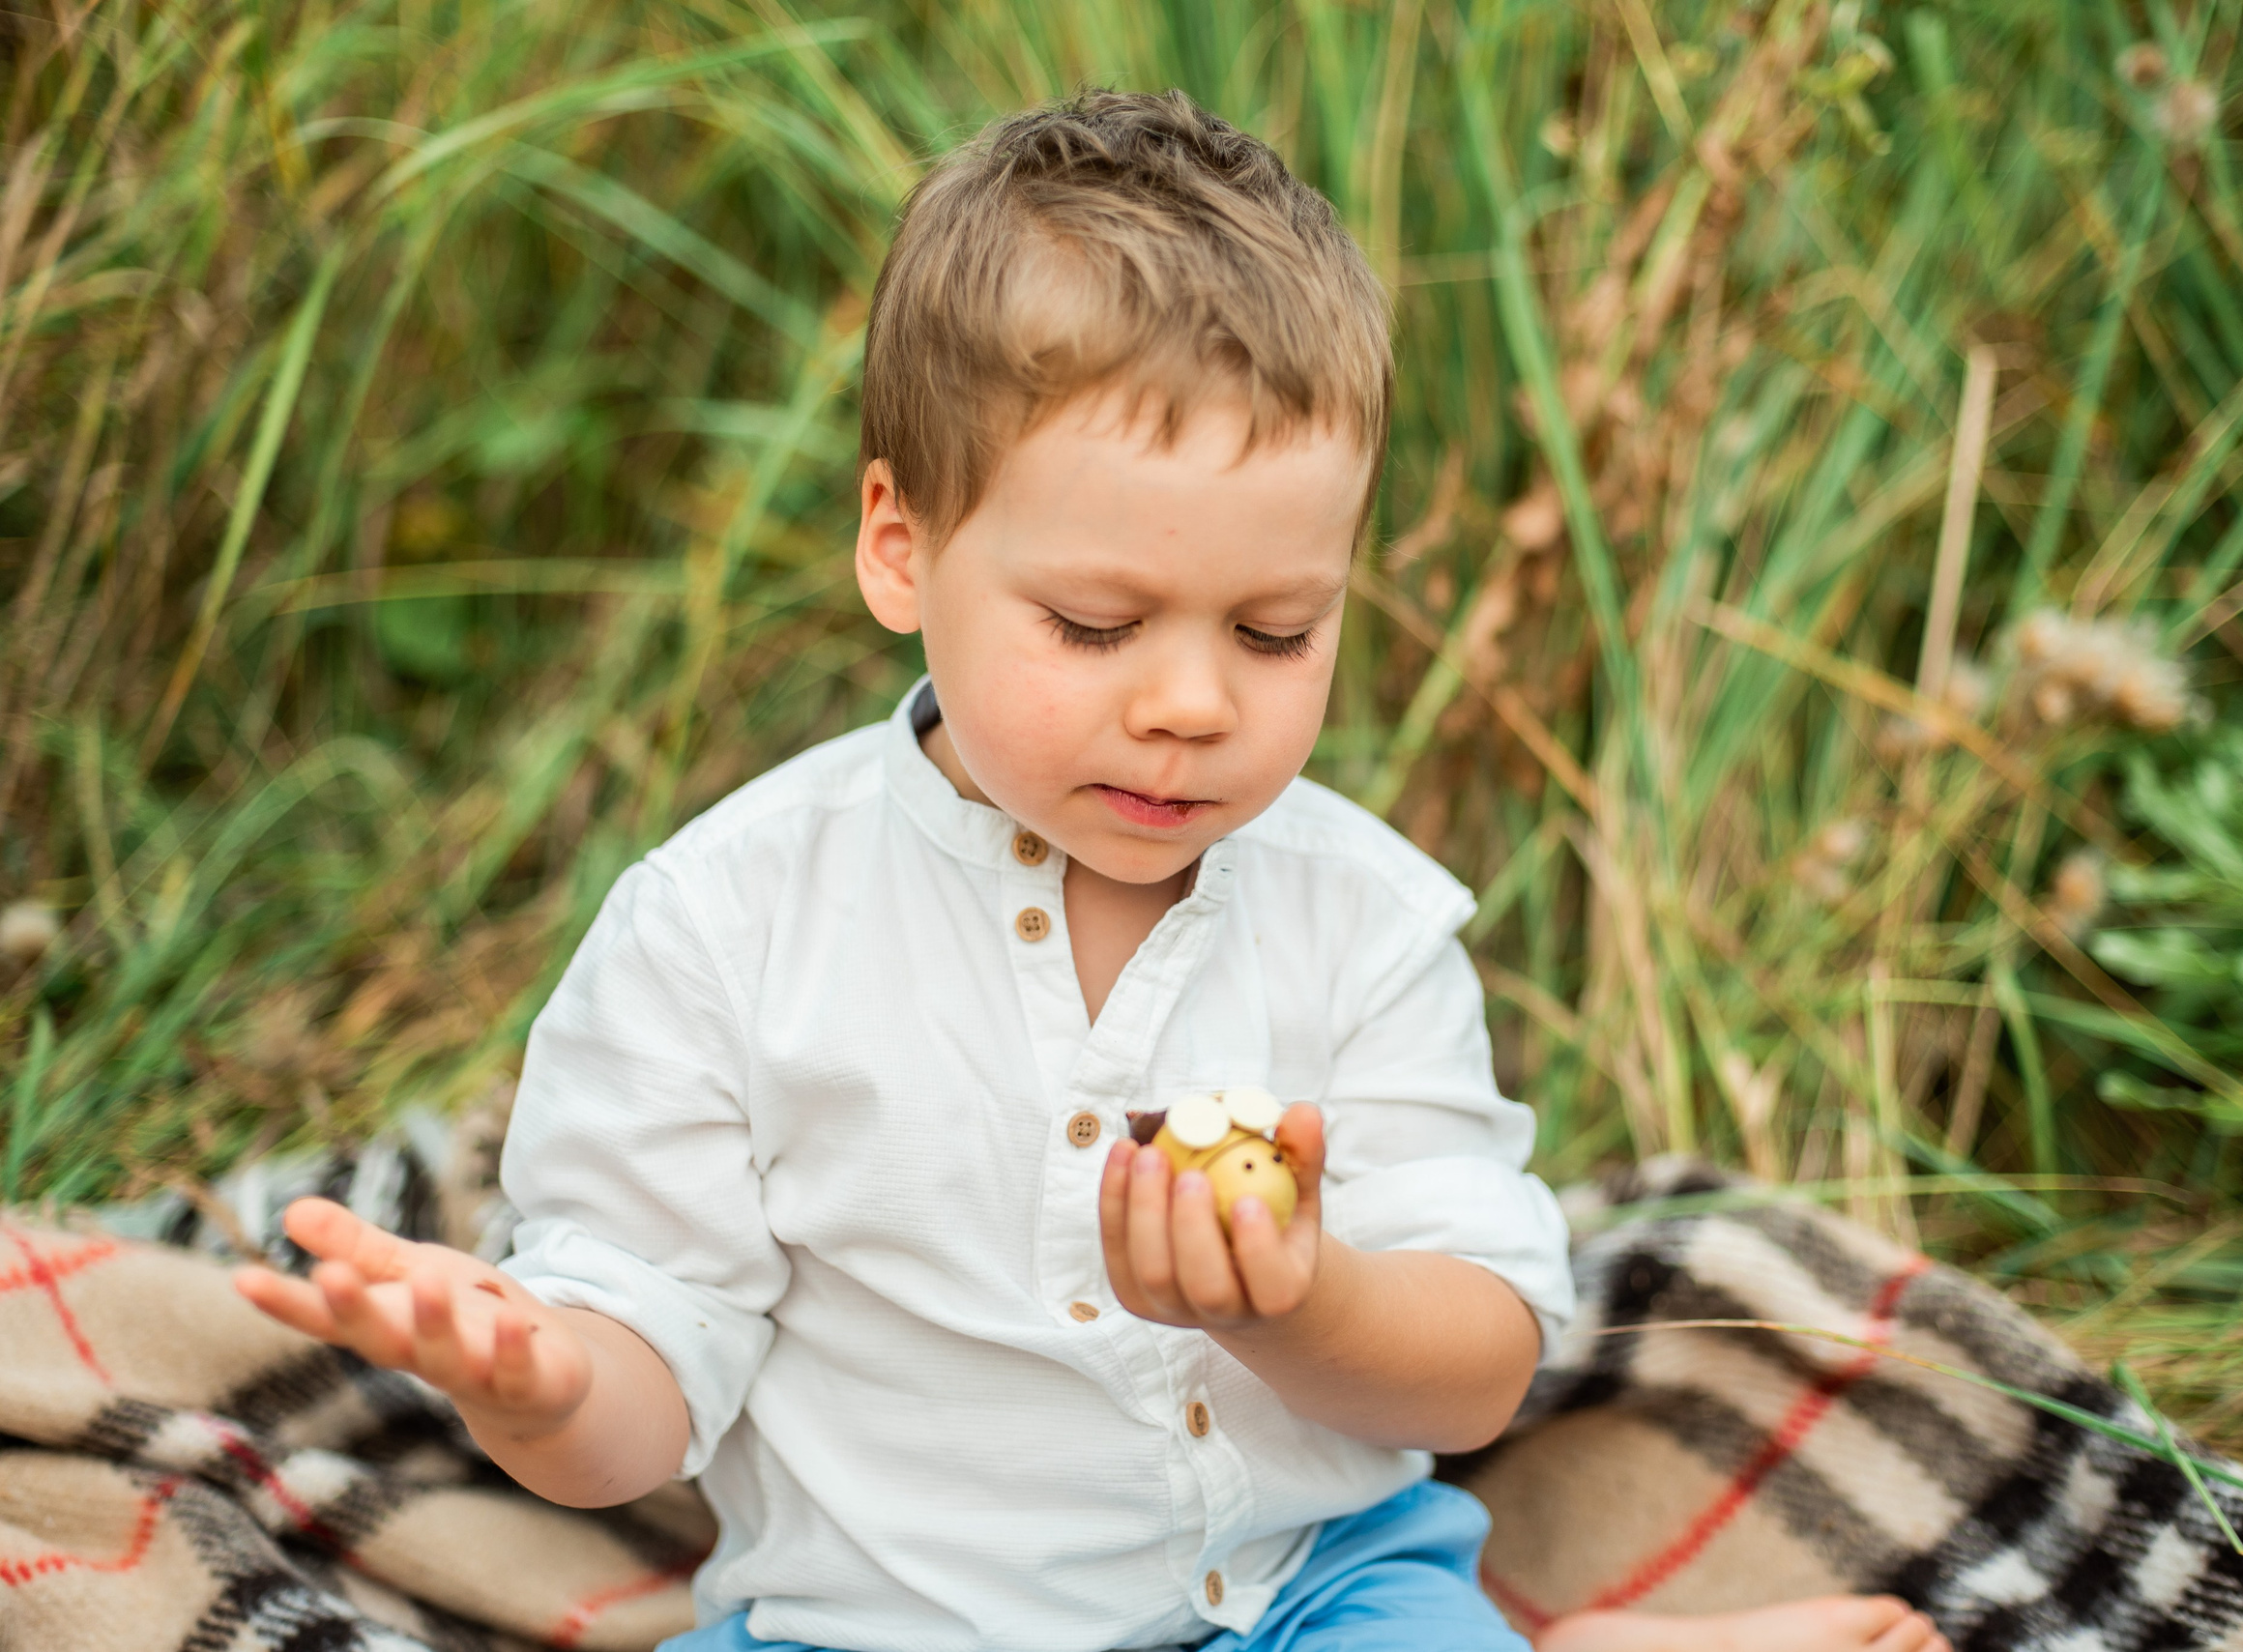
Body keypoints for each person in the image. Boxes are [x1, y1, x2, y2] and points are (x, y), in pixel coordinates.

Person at [237, 90, 1949, 1652]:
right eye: (1097, 624)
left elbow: (1486, 1358)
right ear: (902, 544)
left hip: (1309, 1599)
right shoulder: (726, 927)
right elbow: (645, 1386)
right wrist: (532, 1375)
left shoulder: (1362, 921)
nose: (1193, 703)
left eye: (1278, 632)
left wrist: (1308, 1302)